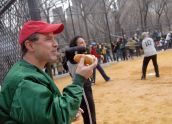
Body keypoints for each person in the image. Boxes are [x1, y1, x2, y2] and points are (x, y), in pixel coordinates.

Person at [0, 20, 97, 124]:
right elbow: (52, 118)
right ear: (30, 45)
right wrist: (79, 80)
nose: (56, 44)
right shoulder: (25, 81)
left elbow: (44, 112)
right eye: (48, 39)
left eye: (54, 38)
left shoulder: (29, 71)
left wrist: (68, 111)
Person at [65, 36, 97, 124]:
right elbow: (68, 51)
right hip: (82, 87)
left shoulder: (79, 57)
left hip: (85, 85)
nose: (84, 44)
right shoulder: (72, 57)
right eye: (81, 43)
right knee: (90, 118)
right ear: (75, 46)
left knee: (90, 116)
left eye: (84, 42)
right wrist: (84, 48)